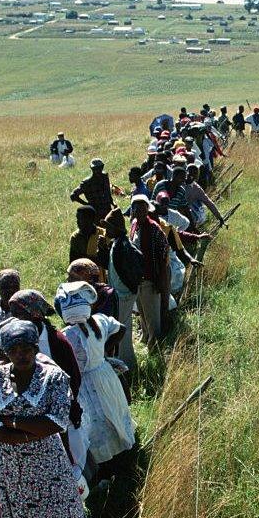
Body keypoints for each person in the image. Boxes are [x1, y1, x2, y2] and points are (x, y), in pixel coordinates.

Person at [0, 319, 96, 518]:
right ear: (5, 352)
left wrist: (11, 421)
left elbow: (56, 423)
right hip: (11, 470)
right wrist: (33, 428)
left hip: (49, 467)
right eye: (14, 350)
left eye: (26, 349)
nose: (21, 355)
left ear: (36, 348)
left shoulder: (54, 377)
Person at [54, 282, 136, 470]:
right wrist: (105, 351)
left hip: (85, 383)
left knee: (98, 420)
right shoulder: (99, 321)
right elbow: (121, 328)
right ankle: (124, 452)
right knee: (113, 409)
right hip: (104, 374)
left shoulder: (67, 335)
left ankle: (107, 462)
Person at [7, 289, 83, 439]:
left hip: (57, 408)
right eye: (12, 313)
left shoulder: (57, 341)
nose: (14, 318)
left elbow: (74, 377)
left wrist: (66, 405)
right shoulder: (13, 341)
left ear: (34, 313)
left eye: (19, 313)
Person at [103, 209, 140, 371]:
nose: (106, 230)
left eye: (108, 227)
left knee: (122, 331)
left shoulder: (122, 246)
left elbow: (125, 271)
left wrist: (128, 290)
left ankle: (127, 366)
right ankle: (126, 363)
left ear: (116, 229)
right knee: (124, 327)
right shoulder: (116, 243)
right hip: (123, 293)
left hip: (123, 295)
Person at [129, 195, 169, 344]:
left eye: (142, 208)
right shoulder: (134, 224)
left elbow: (164, 255)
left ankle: (154, 346)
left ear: (147, 209)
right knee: (142, 312)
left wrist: (160, 281)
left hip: (150, 279)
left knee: (152, 316)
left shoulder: (154, 228)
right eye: (136, 208)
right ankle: (145, 338)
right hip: (137, 279)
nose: (139, 211)